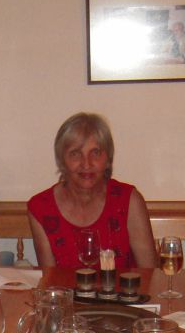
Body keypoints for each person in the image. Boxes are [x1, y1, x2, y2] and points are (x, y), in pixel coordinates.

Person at [28, 112, 158, 270]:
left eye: (95, 153)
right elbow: (50, 279)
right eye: (75, 154)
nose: (86, 164)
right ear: (62, 160)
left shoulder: (129, 201)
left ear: (108, 159)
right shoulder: (41, 208)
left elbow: (150, 274)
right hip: (65, 288)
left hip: (124, 288)